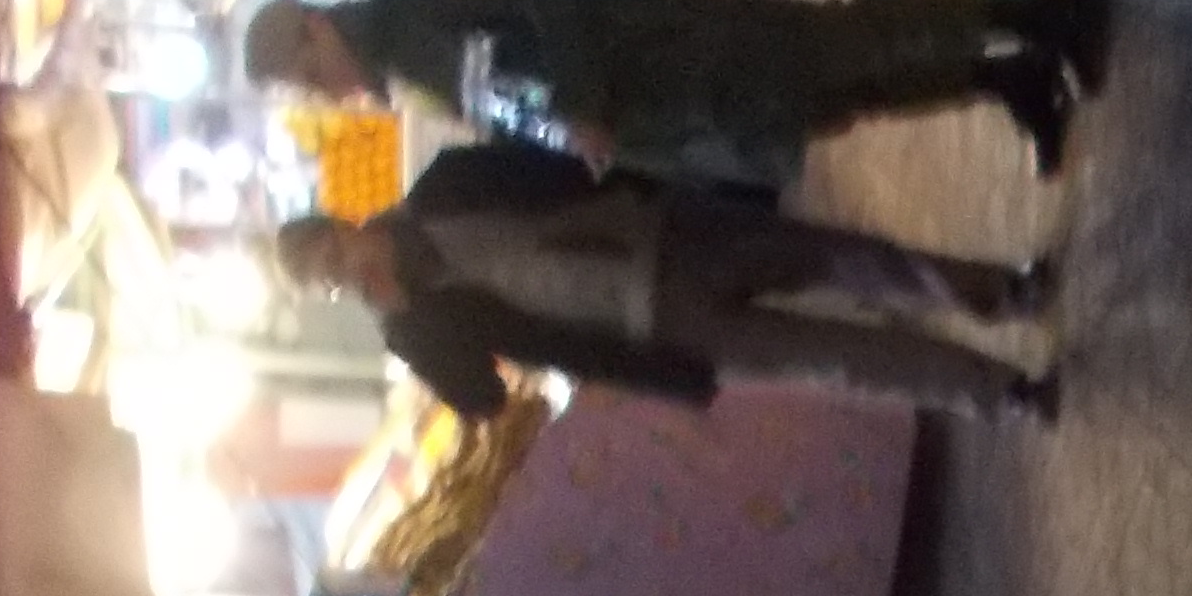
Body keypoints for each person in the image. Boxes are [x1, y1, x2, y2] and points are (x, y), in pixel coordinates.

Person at [278, 138, 1057, 428]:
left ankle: (1002, 292)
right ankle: (1002, 391)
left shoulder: (445, 185)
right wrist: (418, 321)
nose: (349, 279)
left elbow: (556, 162)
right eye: (333, 287)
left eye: (335, 261)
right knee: (836, 357)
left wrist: (647, 181)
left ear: (345, 227)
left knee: (842, 258)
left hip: (669, 234)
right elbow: (483, 402)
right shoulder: (415, 327)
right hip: (652, 327)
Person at [247, 0, 1108, 184]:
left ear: (316, 28)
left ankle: (1035, 14)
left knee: (848, 40)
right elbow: (512, 105)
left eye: (314, 77)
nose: (332, 93)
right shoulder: (412, 84)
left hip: (671, 42)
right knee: (847, 100)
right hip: (665, 117)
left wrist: (579, 102)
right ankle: (1007, 79)